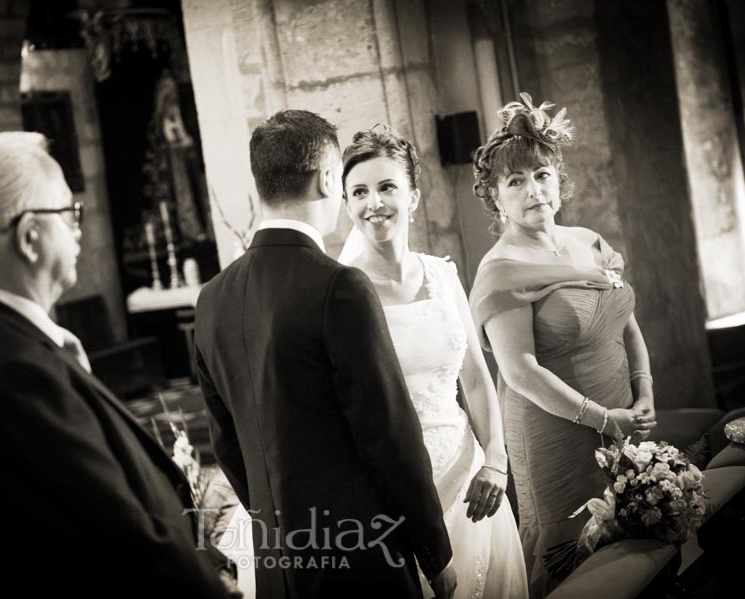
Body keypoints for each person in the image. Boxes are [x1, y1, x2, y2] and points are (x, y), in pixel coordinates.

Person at [0, 132, 238, 598]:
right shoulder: (10, 375)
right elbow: (119, 552)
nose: (78, 228)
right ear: (29, 237)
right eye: (68, 212)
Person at [194, 110, 457, 599]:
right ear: (329, 179)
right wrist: (434, 554)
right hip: (361, 561)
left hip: (279, 565)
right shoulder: (339, 286)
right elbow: (390, 437)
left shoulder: (211, 299)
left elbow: (225, 443)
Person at [467, 94, 656, 597]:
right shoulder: (501, 270)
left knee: (635, 545)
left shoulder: (590, 241)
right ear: (495, 197)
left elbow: (627, 325)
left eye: (542, 175)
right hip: (555, 429)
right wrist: (601, 418)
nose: (533, 190)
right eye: (516, 181)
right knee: (571, 559)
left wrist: (644, 393)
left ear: (558, 180)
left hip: (621, 415)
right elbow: (521, 373)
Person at [337, 124, 528, 599]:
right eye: (359, 191)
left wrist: (496, 461)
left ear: (414, 196)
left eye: (386, 187)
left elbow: (478, 380)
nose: (373, 202)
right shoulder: (340, 293)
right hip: (400, 497)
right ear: (345, 204)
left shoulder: (442, 276)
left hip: (472, 480)